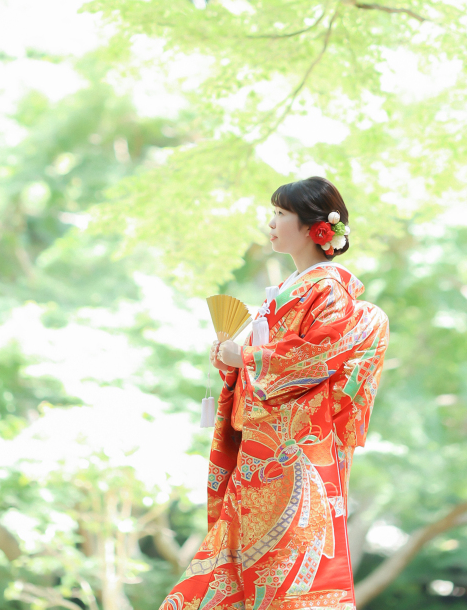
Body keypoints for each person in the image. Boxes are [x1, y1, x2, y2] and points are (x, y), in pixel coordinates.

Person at [159, 176, 389, 610]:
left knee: (282, 572)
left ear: (313, 228)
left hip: (293, 455)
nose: (271, 222)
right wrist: (234, 361)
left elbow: (315, 358)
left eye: (281, 214)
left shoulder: (328, 288)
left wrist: (246, 358)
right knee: (232, 568)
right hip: (263, 451)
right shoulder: (291, 288)